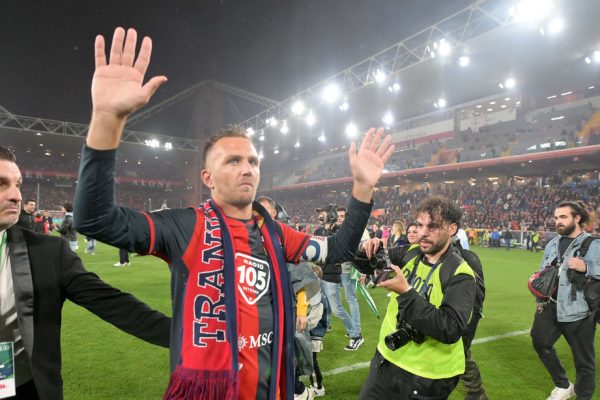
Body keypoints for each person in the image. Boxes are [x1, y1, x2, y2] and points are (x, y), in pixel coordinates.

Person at [74, 27, 394, 400]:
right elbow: (94, 219)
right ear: (207, 178)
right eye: (233, 161)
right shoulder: (185, 226)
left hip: (270, 390)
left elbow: (338, 249)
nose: (247, 169)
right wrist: (107, 119)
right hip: (206, 391)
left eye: (253, 161)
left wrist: (362, 189)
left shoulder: (275, 233)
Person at [0, 145, 171, 400]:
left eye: (18, 185)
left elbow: (113, 304)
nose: (16, 196)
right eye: (2, 184)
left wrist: (188, 337)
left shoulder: (48, 253)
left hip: (22, 387)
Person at [356, 196, 476, 400]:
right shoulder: (410, 253)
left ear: (452, 229)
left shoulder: (460, 273)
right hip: (387, 358)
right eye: (420, 225)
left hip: (428, 377)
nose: (423, 233)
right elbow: (366, 264)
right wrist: (365, 249)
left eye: (433, 226)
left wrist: (406, 293)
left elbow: (450, 328)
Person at [531, 201, 599, 400]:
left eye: (563, 217)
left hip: (580, 311)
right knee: (540, 342)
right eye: (556, 217)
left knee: (583, 362)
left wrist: (587, 267)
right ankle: (563, 385)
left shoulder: (593, 244)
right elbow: (543, 272)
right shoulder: (552, 243)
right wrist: (540, 297)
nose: (558, 221)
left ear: (577, 218)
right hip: (550, 306)